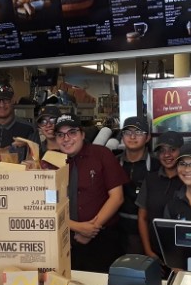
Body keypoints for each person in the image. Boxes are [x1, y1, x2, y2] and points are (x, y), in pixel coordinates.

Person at [55, 113, 129, 274]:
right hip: (65, 238)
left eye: (72, 133)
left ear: (82, 134)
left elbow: (117, 197)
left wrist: (91, 229)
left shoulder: (102, 154)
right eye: (60, 135)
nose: (66, 139)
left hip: (102, 240)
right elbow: (47, 206)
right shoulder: (52, 162)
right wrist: (76, 227)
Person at [135, 130, 182, 262]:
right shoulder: (150, 180)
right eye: (162, 151)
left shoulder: (189, 178)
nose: (167, 155)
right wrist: (148, 251)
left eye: (172, 150)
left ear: (182, 151)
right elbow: (142, 218)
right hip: (155, 251)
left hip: (184, 253)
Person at [117, 116, 160, 254]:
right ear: (122, 136)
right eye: (128, 132)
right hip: (118, 229)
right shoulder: (113, 163)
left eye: (139, 133)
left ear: (147, 138)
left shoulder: (157, 165)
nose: (133, 137)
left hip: (149, 230)